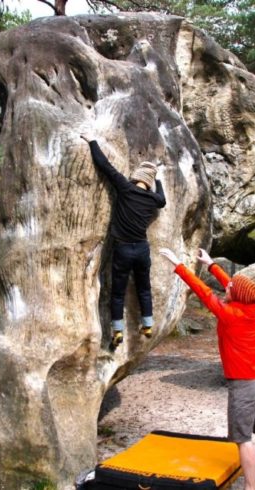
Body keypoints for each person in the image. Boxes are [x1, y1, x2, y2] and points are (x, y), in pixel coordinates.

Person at [159, 247, 255, 490]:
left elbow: (204, 293)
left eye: (230, 289)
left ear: (236, 296)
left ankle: (250, 487)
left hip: (243, 386)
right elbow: (234, 285)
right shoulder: (252, 306)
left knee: (243, 440)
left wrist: (179, 265)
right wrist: (211, 264)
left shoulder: (230, 314)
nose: (228, 287)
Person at [81, 133, 166, 349]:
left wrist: (92, 141)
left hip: (123, 250)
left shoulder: (125, 189)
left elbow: (105, 166)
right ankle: (147, 324)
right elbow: (163, 200)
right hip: (142, 250)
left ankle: (117, 331)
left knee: (117, 293)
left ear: (135, 177)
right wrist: (157, 179)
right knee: (144, 288)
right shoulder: (153, 199)